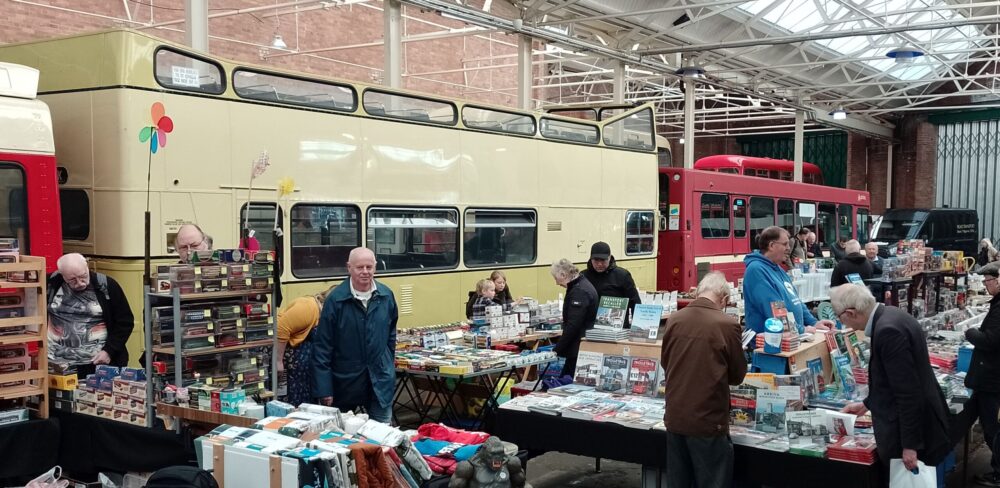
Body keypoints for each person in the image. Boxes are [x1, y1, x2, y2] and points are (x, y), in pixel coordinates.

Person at [834, 285, 952, 482]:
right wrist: (866, 405)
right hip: (915, 421)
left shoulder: (888, 331)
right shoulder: (891, 314)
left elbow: (907, 392)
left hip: (907, 432)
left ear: (851, 313)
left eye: (840, 317)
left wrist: (910, 446)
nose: (842, 323)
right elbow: (891, 381)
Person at [660, 271, 747, 488]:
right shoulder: (727, 324)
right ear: (724, 299)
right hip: (708, 419)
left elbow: (665, 361)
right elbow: (737, 375)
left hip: (675, 415)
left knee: (678, 480)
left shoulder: (675, 319)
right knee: (713, 480)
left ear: (699, 292)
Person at [313, 248, 398, 424]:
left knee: (383, 437)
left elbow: (391, 334)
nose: (365, 272)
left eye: (369, 266)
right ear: (349, 268)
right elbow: (322, 348)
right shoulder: (336, 300)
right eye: (360, 267)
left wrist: (387, 363)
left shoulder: (386, 296)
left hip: (380, 381)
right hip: (345, 382)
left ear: (375, 267)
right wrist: (324, 389)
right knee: (342, 438)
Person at [47, 253, 134, 377]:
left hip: (98, 363)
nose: (80, 283)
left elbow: (125, 322)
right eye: (72, 280)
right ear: (63, 275)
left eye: (83, 276)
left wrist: (109, 351)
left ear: (87, 267)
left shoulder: (107, 285)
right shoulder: (51, 283)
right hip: (58, 363)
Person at [743, 226, 835, 337]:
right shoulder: (756, 270)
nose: (788, 248)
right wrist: (801, 330)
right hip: (771, 345)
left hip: (792, 339)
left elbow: (796, 300)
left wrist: (813, 322)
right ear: (772, 245)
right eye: (785, 244)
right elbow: (776, 309)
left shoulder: (777, 268)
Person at [963, 262, 1000, 486]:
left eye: (987, 281)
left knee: (992, 427)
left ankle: (997, 473)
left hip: (992, 379)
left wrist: (970, 333)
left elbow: (990, 340)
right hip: (992, 376)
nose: (985, 286)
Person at [277, 286, 333, 406]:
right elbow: (281, 328)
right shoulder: (309, 307)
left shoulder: (324, 314)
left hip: (303, 375)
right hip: (290, 366)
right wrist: (278, 361)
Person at [550, 258, 598, 377]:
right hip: (582, 346)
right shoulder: (582, 284)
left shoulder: (579, 291)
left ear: (563, 274)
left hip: (578, 348)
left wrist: (557, 349)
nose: (556, 282)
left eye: (556, 278)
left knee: (566, 381)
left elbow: (573, 324)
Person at [581, 242, 641, 328]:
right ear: (591, 259)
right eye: (596, 260)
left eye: (603, 260)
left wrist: (638, 328)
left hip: (618, 328)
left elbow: (635, 302)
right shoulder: (583, 276)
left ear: (610, 258)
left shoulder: (622, 275)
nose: (599, 264)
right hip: (590, 328)